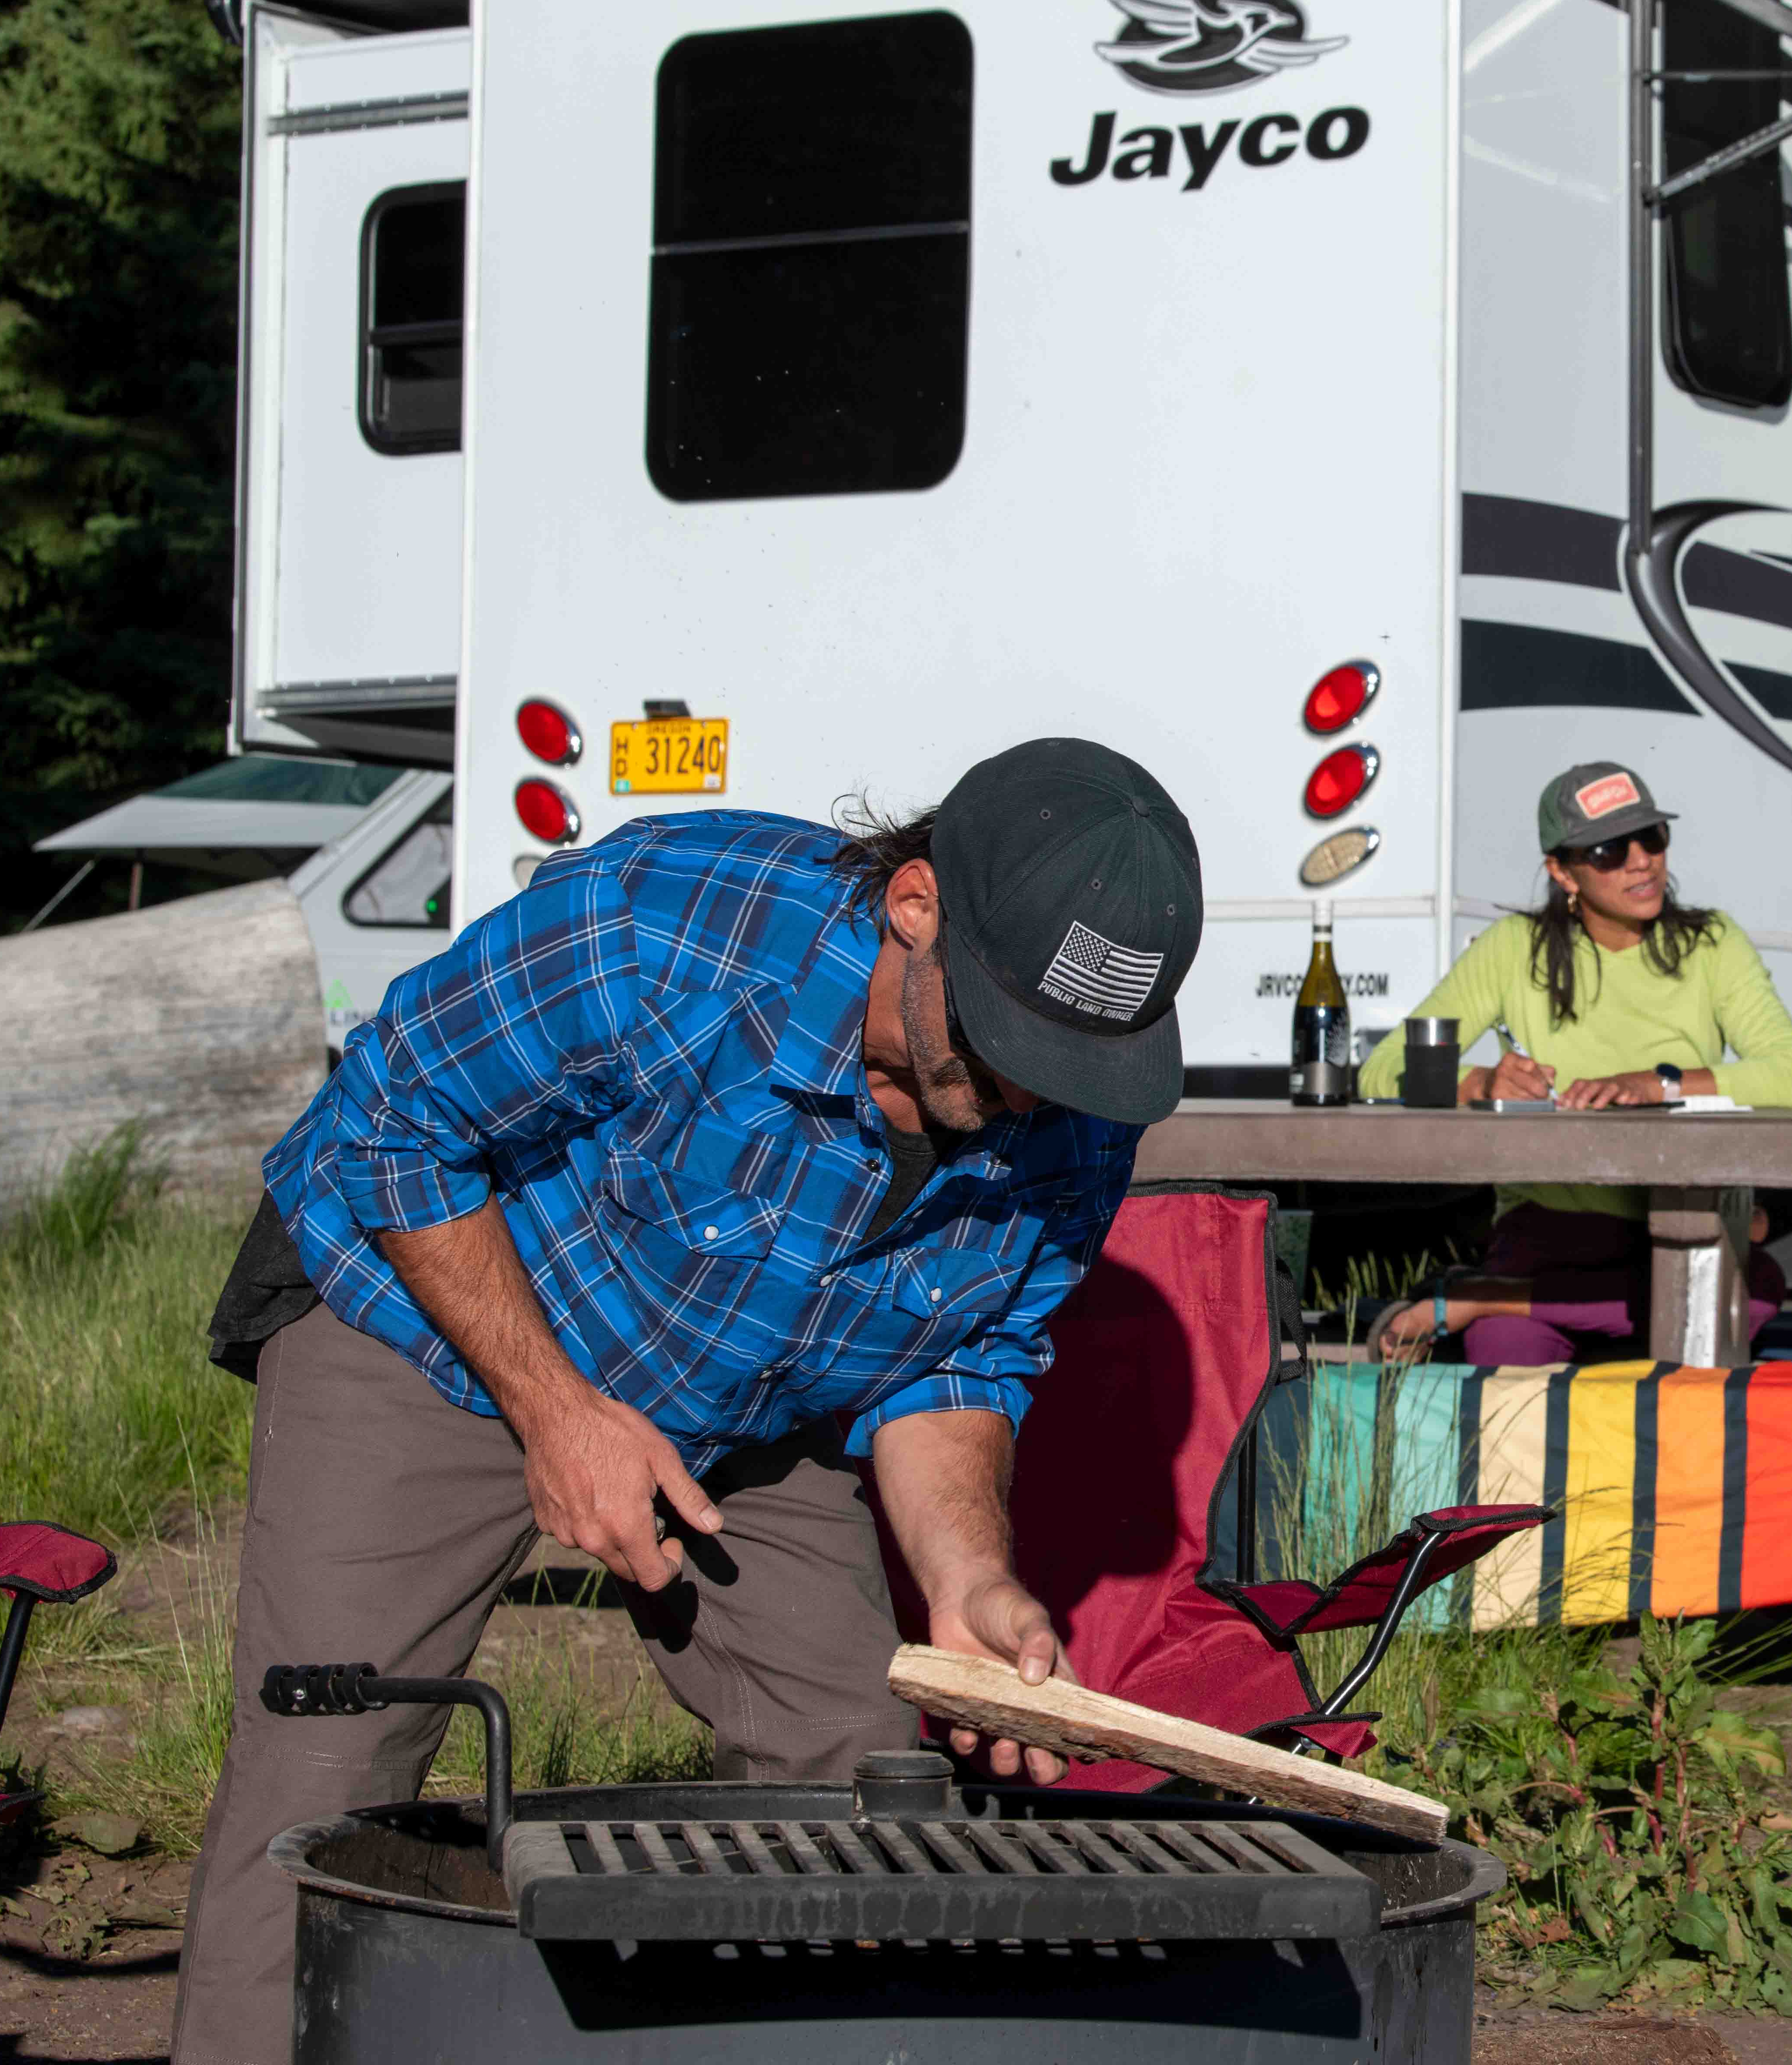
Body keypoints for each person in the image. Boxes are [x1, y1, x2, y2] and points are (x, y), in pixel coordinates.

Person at [172, 739, 1201, 2065]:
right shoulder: (666, 927)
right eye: (1008, 1040)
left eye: (1072, 1062)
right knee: (328, 1766)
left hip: (744, 1396)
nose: (1028, 1096)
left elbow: (966, 1355)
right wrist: (556, 1412)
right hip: (426, 1317)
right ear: (916, 905)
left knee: (850, 1755)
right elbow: (389, 1126)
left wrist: (968, 1579)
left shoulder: (1072, 1121)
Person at [1358, 762, 1792, 1365]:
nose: (1640, 860)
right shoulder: (1514, 948)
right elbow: (1379, 1071)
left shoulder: (1713, 944)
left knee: (1750, 1292)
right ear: (1561, 871)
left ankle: (1483, 1297)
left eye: (1651, 837)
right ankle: (1508, 1305)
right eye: (1608, 850)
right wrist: (1479, 1083)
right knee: (1506, 1355)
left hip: (1680, 1219)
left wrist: (1659, 1084)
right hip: (1549, 1228)